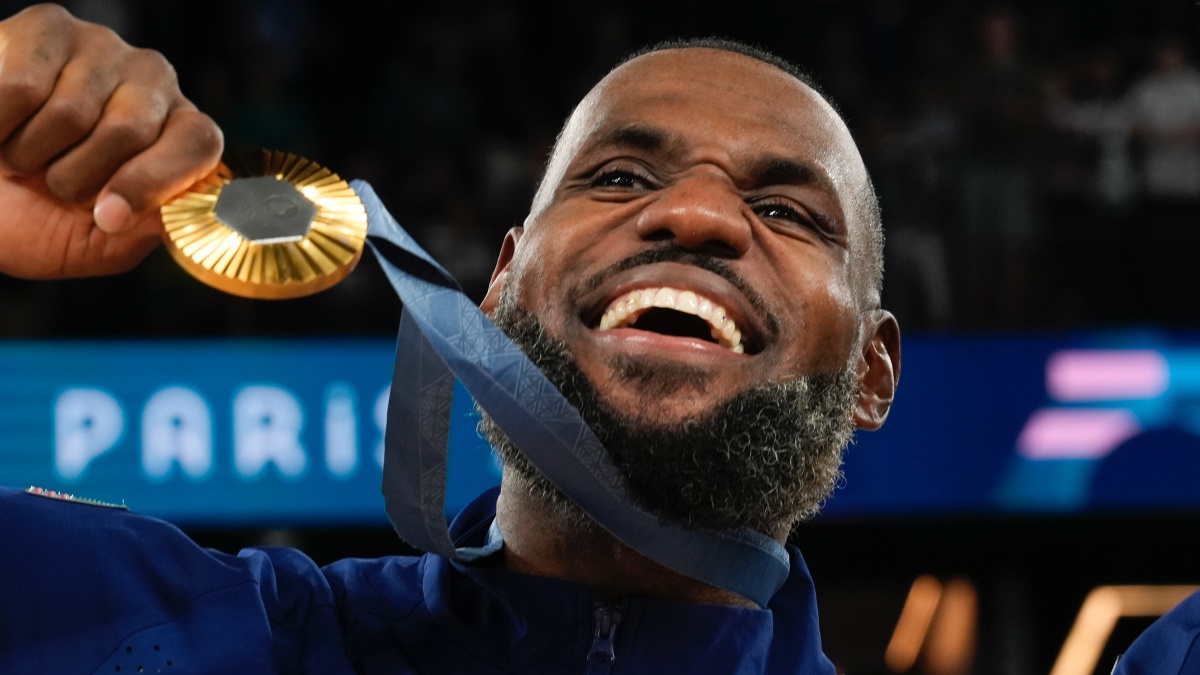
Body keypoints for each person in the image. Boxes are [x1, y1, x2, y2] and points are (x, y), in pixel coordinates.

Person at [0, 5, 1187, 674]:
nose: (697, 216)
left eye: (787, 211)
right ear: (497, 289)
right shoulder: (158, 631)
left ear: (872, 372)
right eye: (618, 177)